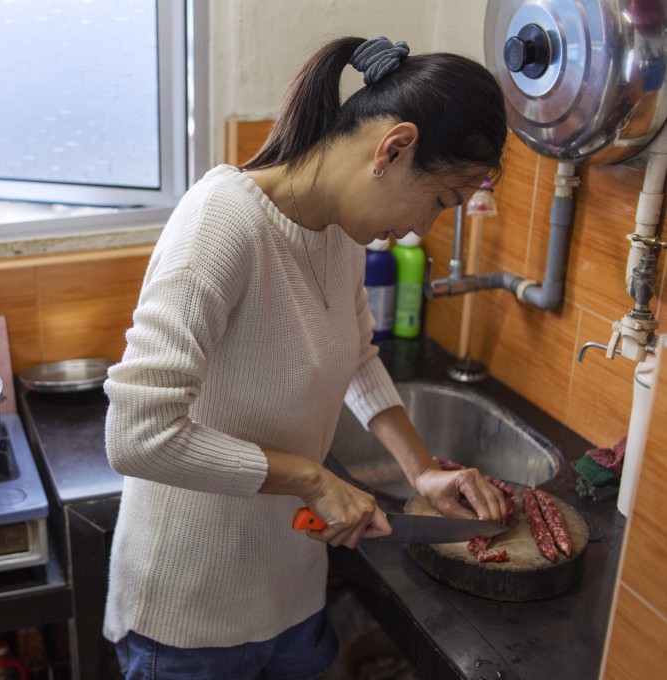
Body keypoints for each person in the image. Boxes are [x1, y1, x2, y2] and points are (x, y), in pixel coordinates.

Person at [103, 35, 509, 679]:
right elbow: (136, 436)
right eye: (439, 200)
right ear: (393, 148)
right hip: (190, 619)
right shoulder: (222, 223)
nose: (424, 230)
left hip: (290, 594)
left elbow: (356, 355)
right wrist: (316, 479)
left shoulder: (342, 233)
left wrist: (423, 472)